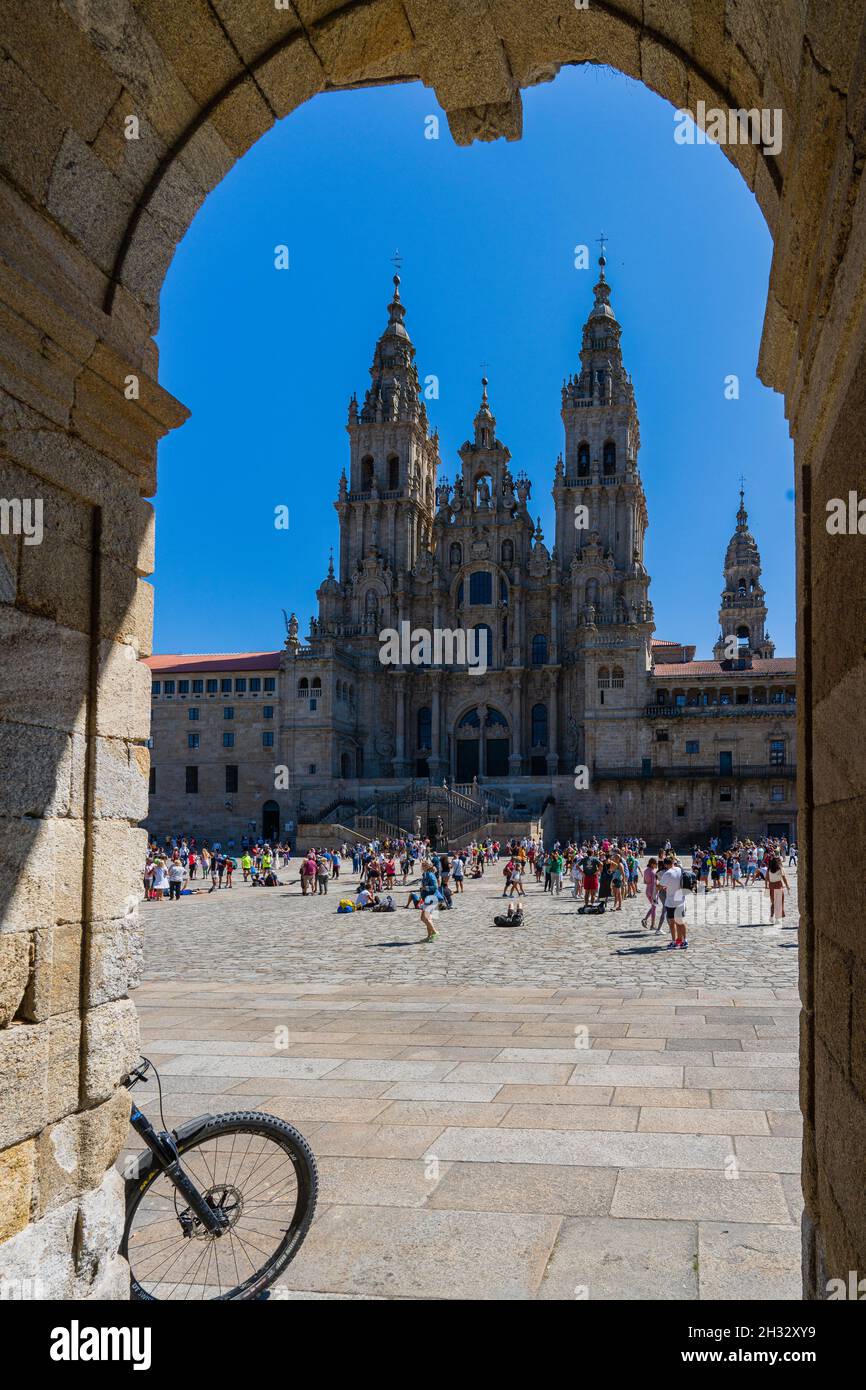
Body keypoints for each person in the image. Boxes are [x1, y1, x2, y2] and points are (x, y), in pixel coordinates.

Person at [658, 856, 688, 949]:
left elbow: (660, 886)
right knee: (680, 921)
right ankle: (683, 941)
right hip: (680, 899)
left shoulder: (667, 873)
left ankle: (674, 941)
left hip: (671, 901)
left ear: (666, 865)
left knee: (671, 922)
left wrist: (659, 886)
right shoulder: (679, 869)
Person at [765, 854, 790, 923]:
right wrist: (787, 885)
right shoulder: (780, 868)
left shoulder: (769, 869)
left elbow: (766, 879)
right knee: (779, 903)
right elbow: (784, 878)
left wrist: (766, 887)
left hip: (771, 886)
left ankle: (771, 917)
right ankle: (777, 918)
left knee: (773, 903)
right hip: (778, 886)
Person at [641, 857, 660, 930]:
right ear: (652, 864)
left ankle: (645, 919)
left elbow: (645, 882)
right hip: (653, 891)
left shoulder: (646, 871)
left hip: (647, 890)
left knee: (653, 907)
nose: (657, 865)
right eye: (656, 864)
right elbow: (656, 883)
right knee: (654, 908)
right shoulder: (653, 872)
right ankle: (652, 925)